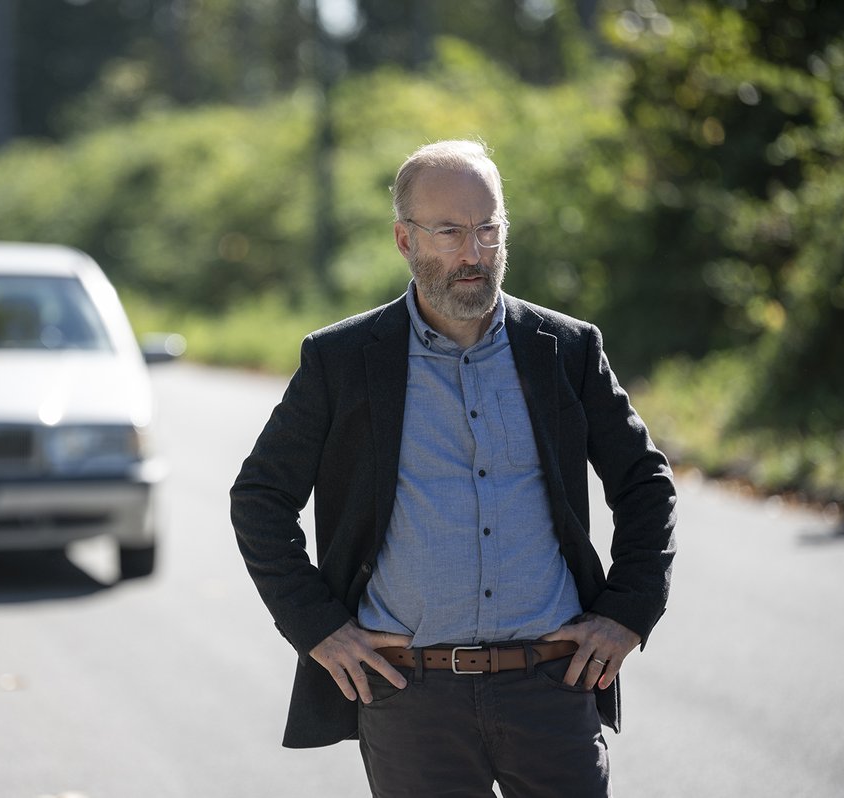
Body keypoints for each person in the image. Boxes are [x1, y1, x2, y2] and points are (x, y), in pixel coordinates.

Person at [230, 139, 677, 797]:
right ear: (404, 240)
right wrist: (318, 627)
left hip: (552, 686)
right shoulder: (343, 360)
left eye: (488, 229)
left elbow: (645, 483)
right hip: (410, 698)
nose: (474, 253)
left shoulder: (567, 349)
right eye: (449, 233)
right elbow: (260, 497)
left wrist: (630, 610)